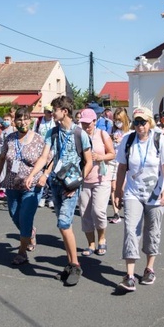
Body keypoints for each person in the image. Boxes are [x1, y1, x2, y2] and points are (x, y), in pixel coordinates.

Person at [26, 95, 92, 286]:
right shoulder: (53, 133)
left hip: (71, 186)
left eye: (55, 109)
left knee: (64, 224)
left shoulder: (80, 134)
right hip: (55, 183)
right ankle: (70, 264)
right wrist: (33, 174)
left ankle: (76, 265)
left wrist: (77, 184)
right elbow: (45, 157)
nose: (52, 112)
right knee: (64, 227)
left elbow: (88, 162)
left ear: (64, 111)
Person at [114, 107, 164, 292]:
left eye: (143, 122)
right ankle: (130, 275)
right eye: (137, 122)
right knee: (130, 229)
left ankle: (149, 268)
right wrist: (117, 192)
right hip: (133, 193)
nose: (140, 126)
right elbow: (122, 168)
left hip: (155, 195)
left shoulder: (159, 139)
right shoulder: (128, 140)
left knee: (152, 231)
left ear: (150, 123)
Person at [0, 107, 47, 265]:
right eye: (19, 119)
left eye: (25, 119)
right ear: (14, 120)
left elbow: (47, 160)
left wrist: (42, 175)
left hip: (31, 185)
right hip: (11, 184)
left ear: (30, 120)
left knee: (25, 217)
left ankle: (22, 252)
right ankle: (30, 232)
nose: (22, 122)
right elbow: (2, 158)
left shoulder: (38, 139)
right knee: (14, 214)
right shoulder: (10, 138)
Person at [78, 108, 115, 256]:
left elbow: (112, 154)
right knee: (85, 212)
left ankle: (102, 239)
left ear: (94, 121)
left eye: (89, 123)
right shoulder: (78, 135)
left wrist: (100, 157)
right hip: (83, 179)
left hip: (101, 177)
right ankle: (91, 244)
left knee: (99, 211)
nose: (86, 126)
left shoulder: (102, 134)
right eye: (83, 123)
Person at [109, 107, 130, 223]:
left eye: (119, 120)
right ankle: (116, 213)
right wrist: (112, 139)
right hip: (114, 161)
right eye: (116, 120)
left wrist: (121, 142)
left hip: (125, 162)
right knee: (113, 187)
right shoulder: (113, 130)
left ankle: (128, 210)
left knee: (123, 188)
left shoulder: (130, 132)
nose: (117, 122)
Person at [33, 104, 56, 209]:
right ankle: (42, 196)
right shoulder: (38, 121)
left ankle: (51, 197)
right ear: (45, 112)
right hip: (41, 151)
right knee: (41, 173)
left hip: (53, 150)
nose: (50, 114)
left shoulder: (55, 121)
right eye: (48, 112)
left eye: (52, 112)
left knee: (50, 175)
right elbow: (34, 134)